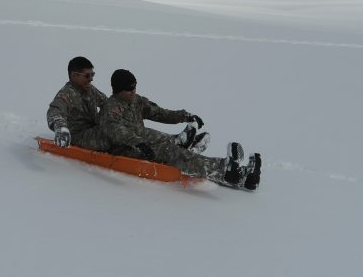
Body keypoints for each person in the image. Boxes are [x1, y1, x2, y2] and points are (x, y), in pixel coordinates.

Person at [98, 69, 261, 189]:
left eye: (135, 86)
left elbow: (160, 113)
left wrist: (185, 116)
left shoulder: (136, 101)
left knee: (178, 153)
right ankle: (224, 169)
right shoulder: (110, 107)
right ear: (118, 90)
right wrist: (138, 143)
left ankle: (245, 175)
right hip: (125, 149)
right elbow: (115, 131)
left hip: (145, 145)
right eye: (130, 89)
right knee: (175, 154)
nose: (134, 91)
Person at [47, 57, 208, 153]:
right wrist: (61, 128)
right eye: (87, 75)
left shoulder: (88, 89)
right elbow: (55, 111)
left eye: (93, 74)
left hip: (95, 130)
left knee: (127, 126)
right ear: (74, 75)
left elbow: (108, 103)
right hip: (81, 137)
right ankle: (175, 143)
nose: (91, 79)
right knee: (124, 131)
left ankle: (177, 143)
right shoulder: (66, 94)